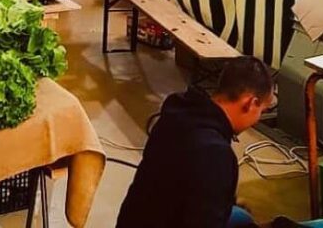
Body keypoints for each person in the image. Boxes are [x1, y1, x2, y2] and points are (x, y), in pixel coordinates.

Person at [116, 57, 274, 228]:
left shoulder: (179, 111)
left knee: (240, 216)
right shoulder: (216, 155)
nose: (257, 119)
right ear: (251, 103)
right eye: (262, 110)